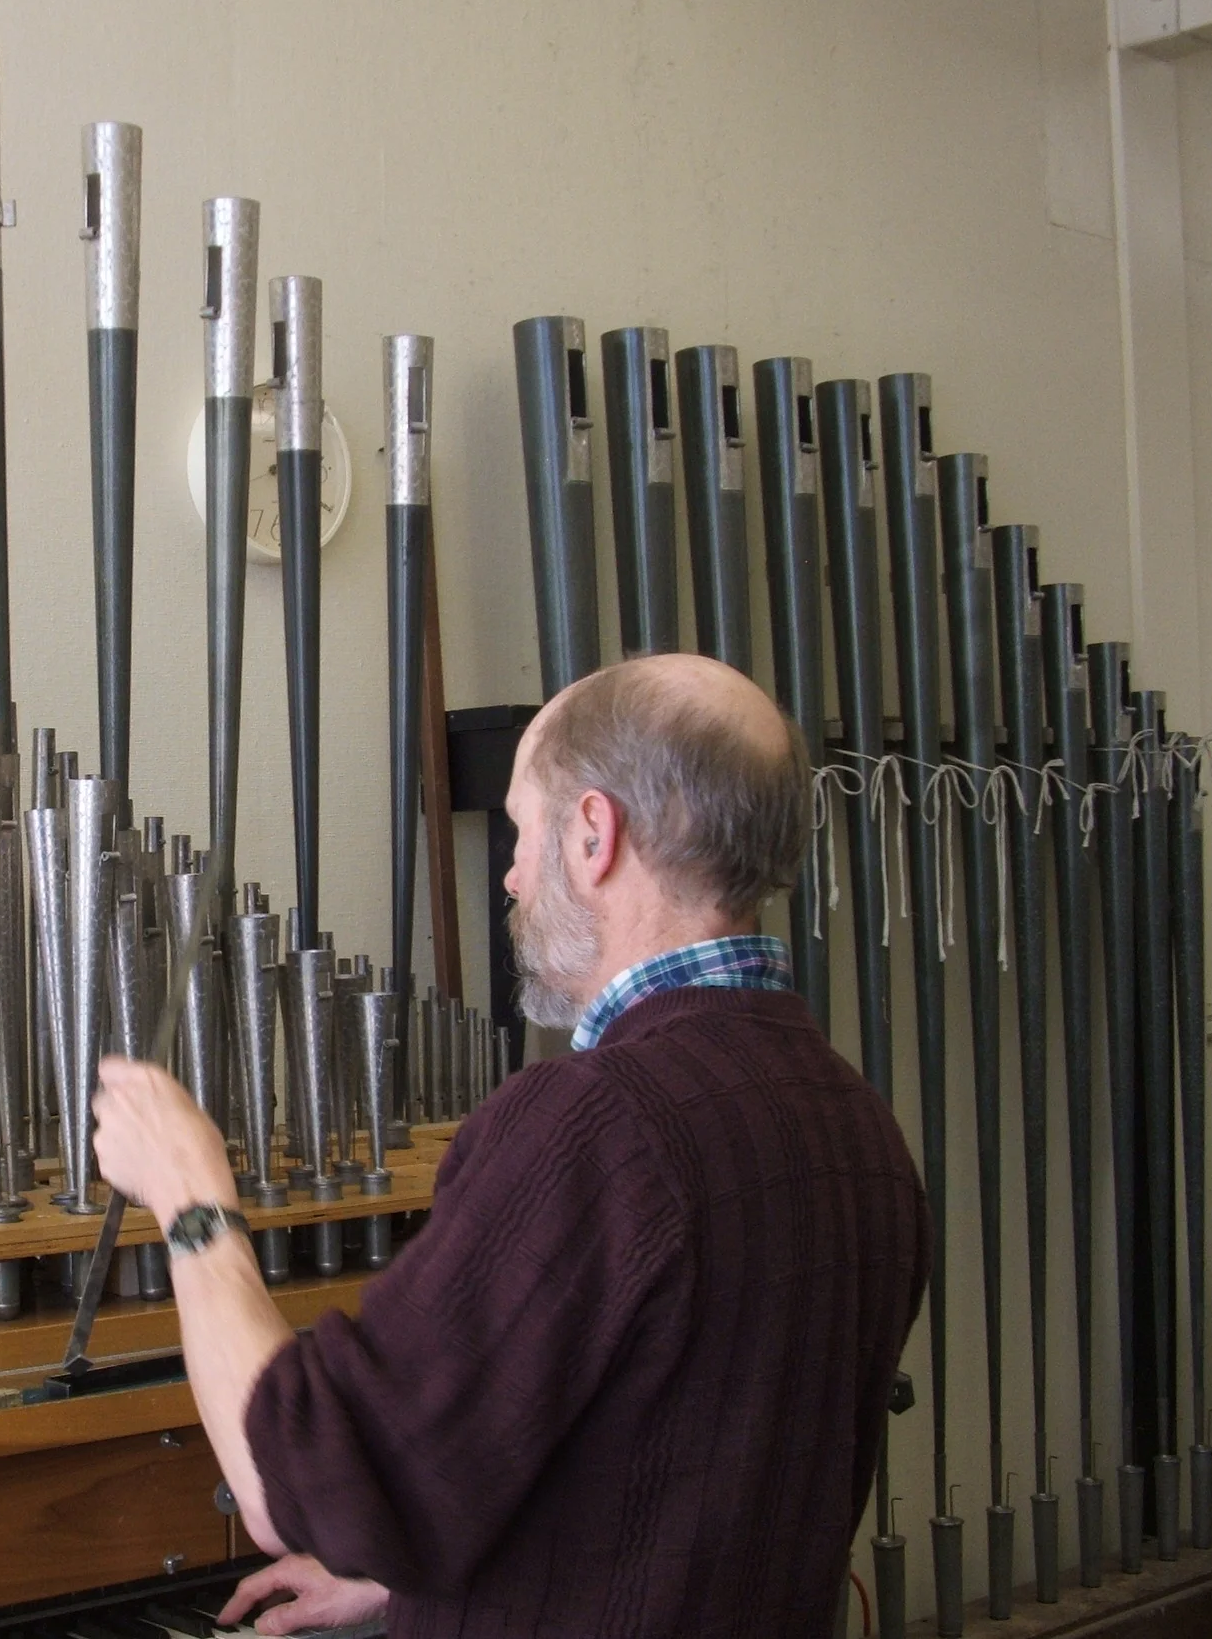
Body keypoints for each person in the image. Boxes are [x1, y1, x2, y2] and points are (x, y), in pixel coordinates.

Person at [92, 654, 930, 1638]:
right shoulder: (855, 1122)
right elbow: (674, 1479)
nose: (511, 873)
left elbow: (303, 1486)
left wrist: (192, 1198)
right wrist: (404, 1583)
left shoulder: (593, 1125)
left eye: (523, 830)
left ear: (593, 834)